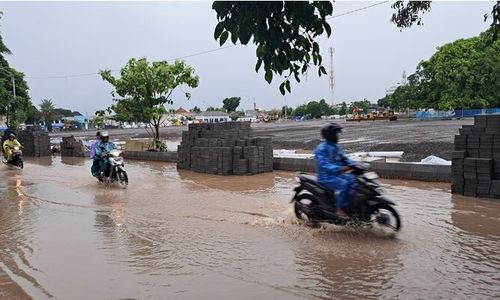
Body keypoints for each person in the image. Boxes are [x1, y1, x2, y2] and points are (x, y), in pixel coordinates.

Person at [314, 123, 357, 218]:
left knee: (354, 180)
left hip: (337, 175)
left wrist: (355, 164)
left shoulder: (336, 147)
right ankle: (339, 209)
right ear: (330, 135)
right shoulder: (321, 149)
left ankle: (350, 206)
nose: (337, 136)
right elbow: (324, 165)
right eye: (335, 134)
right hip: (325, 177)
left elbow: (344, 158)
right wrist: (340, 168)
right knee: (343, 184)